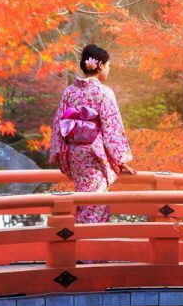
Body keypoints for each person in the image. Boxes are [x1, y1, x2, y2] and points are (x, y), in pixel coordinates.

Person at [49, 44, 136, 224]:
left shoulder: (69, 91)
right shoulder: (104, 92)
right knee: (96, 203)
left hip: (74, 154)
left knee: (84, 200)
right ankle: (89, 245)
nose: (109, 70)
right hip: (93, 155)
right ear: (101, 66)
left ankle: (86, 242)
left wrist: (58, 153)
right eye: (109, 66)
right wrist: (120, 159)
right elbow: (112, 127)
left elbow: (58, 124)